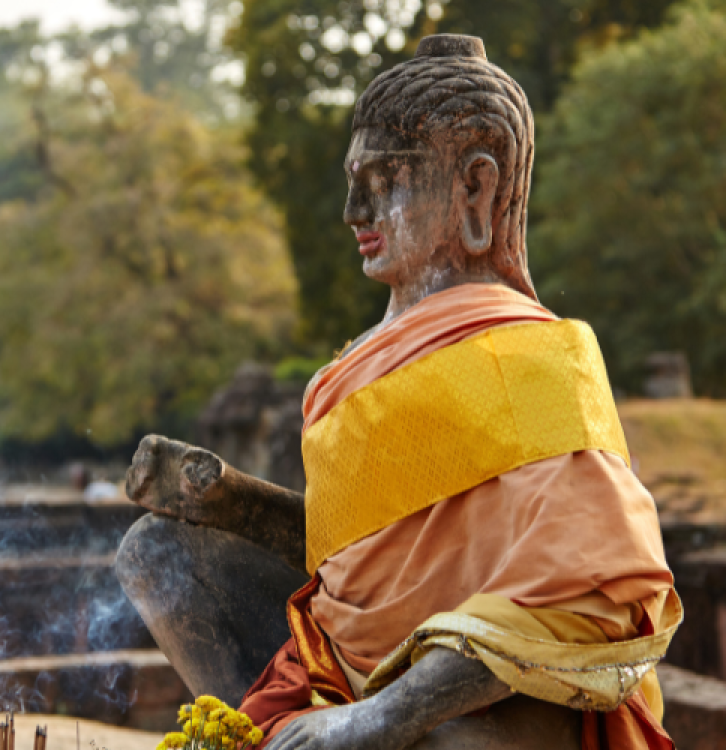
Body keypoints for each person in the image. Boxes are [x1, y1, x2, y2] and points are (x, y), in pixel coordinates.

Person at [115, 34, 677, 750]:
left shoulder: (536, 362)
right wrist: (225, 501)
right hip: (343, 671)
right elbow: (354, 574)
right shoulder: (355, 370)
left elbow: (588, 595)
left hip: (489, 707)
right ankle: (243, 735)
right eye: (354, 181)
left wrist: (378, 718)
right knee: (154, 552)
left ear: (474, 187)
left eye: (385, 181)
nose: (353, 211)